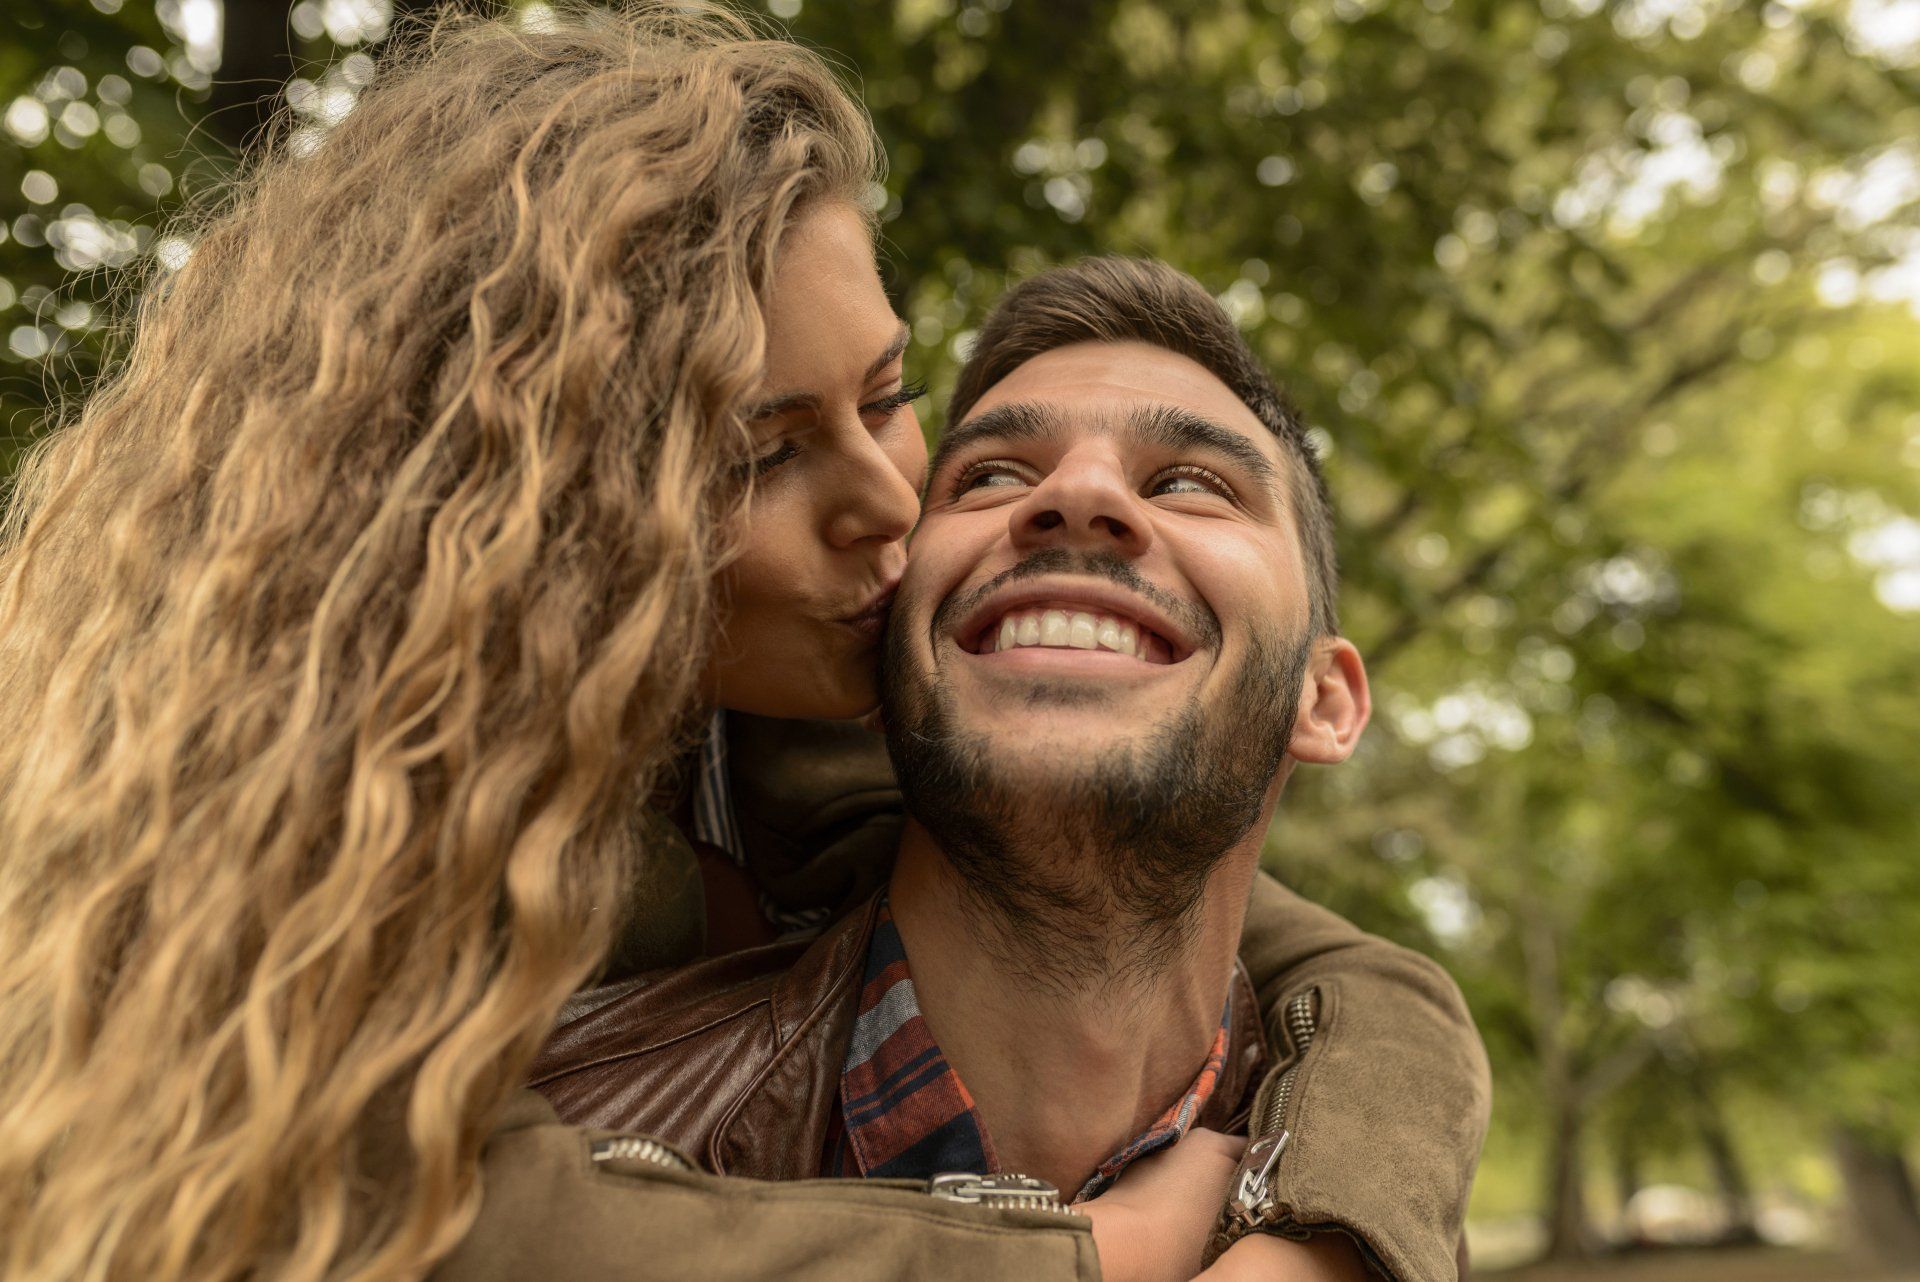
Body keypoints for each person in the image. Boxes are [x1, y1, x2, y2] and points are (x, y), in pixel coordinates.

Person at [0, 5, 1483, 1281]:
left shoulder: (807, 723)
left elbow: (1352, 977)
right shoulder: (297, 795)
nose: (892, 495)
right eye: (760, 457)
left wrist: (1326, 1232)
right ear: (529, 527)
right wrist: (1081, 1253)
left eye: (890, 392)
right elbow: (391, 1218)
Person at [533, 258, 1492, 1282]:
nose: (1077, 493)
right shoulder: (535, 1144)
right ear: (879, 647)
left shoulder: (1361, 1209)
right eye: (990, 475)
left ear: (1326, 698)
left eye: (1190, 483)